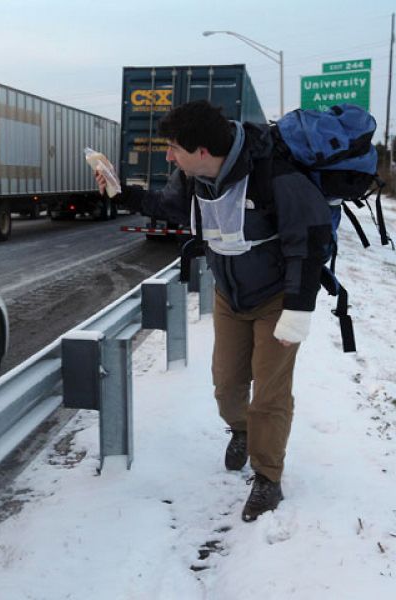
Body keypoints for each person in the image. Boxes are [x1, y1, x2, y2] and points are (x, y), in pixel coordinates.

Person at [96, 100, 331, 521]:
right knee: (226, 387)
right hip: (229, 295)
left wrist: (298, 308)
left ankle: (267, 479)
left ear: (202, 150)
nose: (168, 156)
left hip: (277, 298)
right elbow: (169, 208)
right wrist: (122, 192)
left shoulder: (273, 173)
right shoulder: (192, 177)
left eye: (173, 149)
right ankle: (241, 431)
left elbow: (309, 242)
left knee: (270, 396)